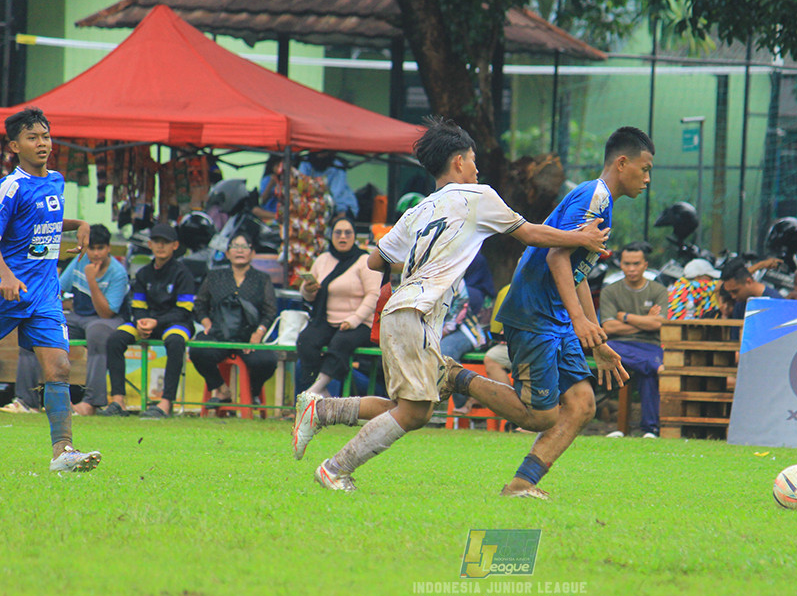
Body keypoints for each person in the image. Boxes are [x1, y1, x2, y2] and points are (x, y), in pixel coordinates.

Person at [290, 116, 610, 492]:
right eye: (474, 160)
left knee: (415, 408)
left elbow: (375, 261)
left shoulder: (419, 211)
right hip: (418, 313)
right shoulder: (479, 196)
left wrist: (420, 257)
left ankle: (321, 409)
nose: (477, 168)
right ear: (459, 161)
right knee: (412, 412)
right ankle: (334, 468)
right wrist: (580, 237)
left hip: (401, 309)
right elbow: (531, 234)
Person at [495, 127, 652, 498]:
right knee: (538, 415)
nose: (647, 179)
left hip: (555, 317)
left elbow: (576, 270)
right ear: (622, 163)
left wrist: (594, 335)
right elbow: (556, 256)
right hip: (534, 312)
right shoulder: (594, 196)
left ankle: (521, 485)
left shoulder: (603, 204)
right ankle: (455, 377)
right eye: (644, 169)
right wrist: (579, 320)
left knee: (582, 405)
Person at [0, 107, 101, 471]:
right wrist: (6, 277)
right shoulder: (10, 187)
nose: (42, 143)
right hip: (8, 290)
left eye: (45, 135)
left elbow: (43, 220)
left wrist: (79, 223)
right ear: (15, 146)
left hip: (43, 293)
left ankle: (63, 453)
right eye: (33, 137)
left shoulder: (55, 180)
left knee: (58, 366)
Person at [9, 223, 129, 415]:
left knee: (97, 332)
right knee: (34, 329)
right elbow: (59, 290)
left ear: (109, 249)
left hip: (107, 321)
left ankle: (91, 402)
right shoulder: (79, 261)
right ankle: (26, 401)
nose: (96, 253)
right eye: (91, 248)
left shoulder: (117, 272)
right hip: (78, 318)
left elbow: (107, 313)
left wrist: (91, 280)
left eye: (101, 248)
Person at [102, 222, 196, 418]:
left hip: (176, 323)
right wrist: (142, 322)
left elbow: (184, 310)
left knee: (176, 341)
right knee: (115, 339)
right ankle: (118, 401)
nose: (161, 246)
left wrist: (155, 322)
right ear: (150, 245)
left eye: (166, 242)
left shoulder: (183, 273)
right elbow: (137, 306)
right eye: (156, 242)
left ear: (175, 245)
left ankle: (165, 403)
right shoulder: (144, 273)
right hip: (146, 323)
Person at [188, 232, 277, 411]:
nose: (240, 251)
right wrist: (206, 322)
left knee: (267, 361)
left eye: (245, 247)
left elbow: (270, 312)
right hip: (219, 334)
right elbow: (199, 304)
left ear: (252, 253)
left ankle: (253, 392)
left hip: (248, 336)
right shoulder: (215, 276)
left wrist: (258, 333)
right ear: (227, 253)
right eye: (235, 246)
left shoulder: (262, 279)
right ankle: (221, 389)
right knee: (197, 350)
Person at [297, 217, 381, 396]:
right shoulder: (322, 260)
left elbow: (374, 295)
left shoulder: (364, 261)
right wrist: (308, 289)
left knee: (341, 342)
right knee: (306, 340)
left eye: (348, 233)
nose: (342, 237)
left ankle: (315, 389)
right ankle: (322, 392)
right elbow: (307, 295)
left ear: (355, 237)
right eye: (338, 233)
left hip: (360, 323)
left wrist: (354, 320)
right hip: (325, 321)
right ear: (331, 236)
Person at [600, 242, 671, 439]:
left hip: (650, 346)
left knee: (647, 373)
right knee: (610, 348)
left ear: (645, 265)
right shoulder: (610, 291)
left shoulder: (658, 290)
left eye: (636, 264)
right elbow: (608, 328)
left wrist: (624, 317)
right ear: (620, 264)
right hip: (620, 345)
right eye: (627, 263)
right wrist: (645, 320)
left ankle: (650, 430)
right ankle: (650, 429)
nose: (631, 269)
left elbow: (660, 324)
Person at [299, 151, 358, 220]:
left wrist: (340, 215)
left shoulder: (337, 166)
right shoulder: (306, 162)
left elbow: (336, 193)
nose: (321, 155)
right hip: (313, 208)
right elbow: (301, 186)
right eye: (318, 151)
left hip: (341, 208)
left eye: (324, 152)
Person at [720, 257, 784, 320]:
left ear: (749, 281)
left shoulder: (776, 302)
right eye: (730, 292)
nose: (733, 296)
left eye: (735, 291)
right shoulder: (740, 305)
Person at [251, 154, 281, 222]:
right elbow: (263, 200)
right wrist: (271, 184)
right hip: (270, 215)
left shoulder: (287, 179)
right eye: (277, 165)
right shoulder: (268, 179)